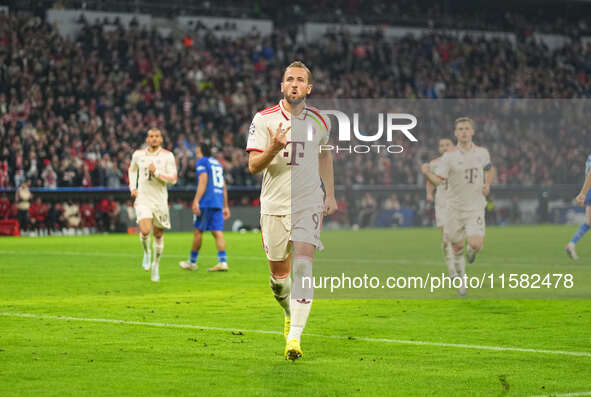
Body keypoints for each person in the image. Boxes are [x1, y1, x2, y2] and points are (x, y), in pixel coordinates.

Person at [246, 61, 337, 360]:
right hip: (273, 205)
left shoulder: (322, 121)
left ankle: (294, 339)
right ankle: (288, 311)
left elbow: (325, 156)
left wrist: (330, 194)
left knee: (303, 267)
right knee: (279, 279)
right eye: (289, 79)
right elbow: (253, 167)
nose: (295, 84)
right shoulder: (264, 119)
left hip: (308, 202)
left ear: (308, 88)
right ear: (282, 86)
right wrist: (273, 147)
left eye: (300, 80)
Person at [421, 117, 495, 296]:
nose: (463, 132)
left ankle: (471, 253)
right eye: (460, 129)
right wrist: (426, 174)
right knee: (455, 246)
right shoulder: (449, 157)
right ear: (456, 133)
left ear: (472, 132)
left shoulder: (482, 153)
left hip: (475, 206)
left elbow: (490, 169)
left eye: (466, 128)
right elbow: (438, 181)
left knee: (476, 244)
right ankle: (460, 280)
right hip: (453, 208)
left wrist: (487, 184)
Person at [128, 128, 177, 282]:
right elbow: (132, 170)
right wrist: (133, 187)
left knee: (158, 235)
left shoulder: (168, 156)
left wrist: (156, 173)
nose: (153, 139)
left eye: (156, 136)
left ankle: (156, 265)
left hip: (160, 200)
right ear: (147, 139)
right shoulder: (138, 155)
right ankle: (147, 252)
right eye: (151, 136)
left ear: (161, 139)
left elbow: (173, 179)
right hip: (143, 199)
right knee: (144, 230)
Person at [179, 143, 231, 272]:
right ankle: (223, 262)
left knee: (198, 231)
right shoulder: (217, 163)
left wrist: (196, 201)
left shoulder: (202, 161)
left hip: (207, 201)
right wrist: (225, 205)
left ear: (200, 151)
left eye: (197, 152)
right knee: (217, 232)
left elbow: (203, 181)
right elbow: (223, 185)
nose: (196, 155)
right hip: (218, 201)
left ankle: (192, 262)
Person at [425, 138, 455, 277]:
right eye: (441, 145)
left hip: (459, 203)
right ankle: (452, 270)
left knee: (460, 237)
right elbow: (430, 181)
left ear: (453, 146)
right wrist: (429, 193)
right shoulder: (434, 164)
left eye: (447, 145)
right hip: (442, 203)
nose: (444, 148)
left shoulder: (460, 161)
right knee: (446, 238)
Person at [565, 153, 591, 260]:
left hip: (589, 190)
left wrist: (584, 193)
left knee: (589, 222)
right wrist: (582, 193)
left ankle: (571, 244)